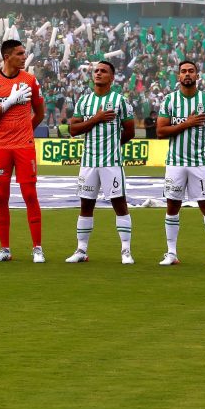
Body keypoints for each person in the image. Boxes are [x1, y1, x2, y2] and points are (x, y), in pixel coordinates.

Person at [0, 40, 46, 263]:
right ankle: (4, 249)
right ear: (7, 57)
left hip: (24, 146)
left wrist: (26, 131)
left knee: (30, 195)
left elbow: (40, 113)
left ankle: (37, 248)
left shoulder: (30, 80)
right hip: (0, 147)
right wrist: (9, 102)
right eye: (19, 54)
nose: (24, 57)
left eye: (24, 53)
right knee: (0, 197)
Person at [65, 60, 136, 264]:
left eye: (103, 71)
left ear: (112, 78)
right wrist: (96, 119)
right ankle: (81, 250)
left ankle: (125, 251)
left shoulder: (120, 101)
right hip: (88, 162)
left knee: (119, 204)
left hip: (111, 162)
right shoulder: (84, 101)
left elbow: (129, 131)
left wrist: (113, 144)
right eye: (96, 71)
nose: (98, 73)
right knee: (86, 205)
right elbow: (73, 130)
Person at [155, 60, 205, 267]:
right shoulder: (169, 101)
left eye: (191, 71)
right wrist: (187, 123)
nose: (187, 74)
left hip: (198, 163)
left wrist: (203, 144)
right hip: (175, 163)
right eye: (183, 71)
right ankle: (171, 253)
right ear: (178, 76)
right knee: (172, 205)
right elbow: (160, 132)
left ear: (197, 76)